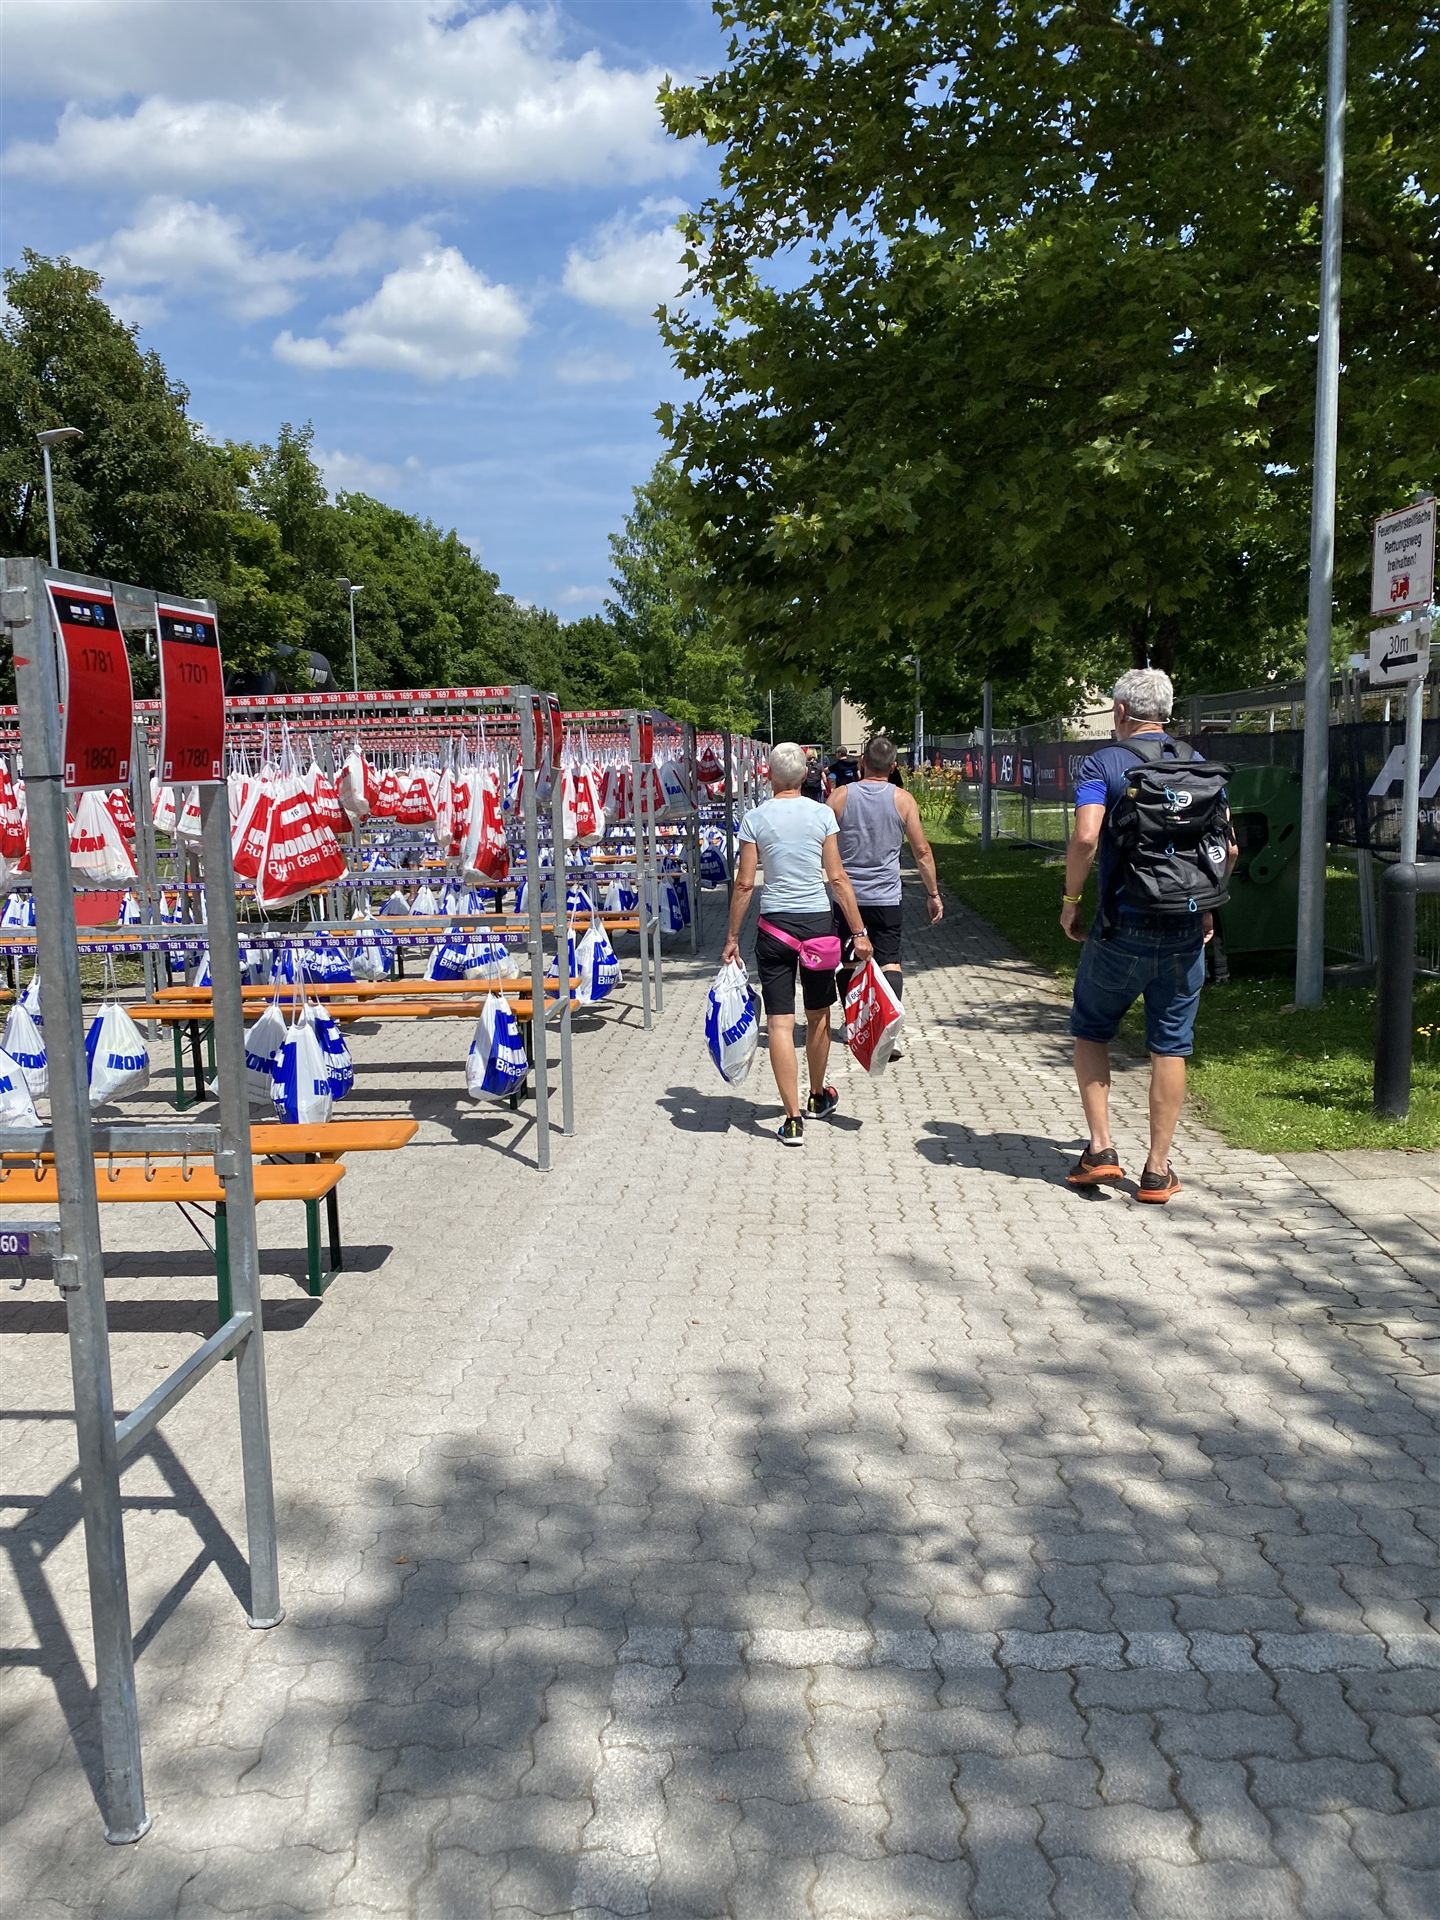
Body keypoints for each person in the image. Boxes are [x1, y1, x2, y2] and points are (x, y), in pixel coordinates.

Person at [1060, 668, 1237, 1203]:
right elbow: (1228, 849)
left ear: (1119, 711)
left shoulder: (1102, 763)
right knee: (1170, 1044)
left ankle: (1100, 1150)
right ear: (1167, 713)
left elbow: (1086, 837)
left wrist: (1072, 902)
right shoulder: (1198, 764)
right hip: (1184, 925)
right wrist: (1205, 905)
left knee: (1092, 1029)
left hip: (1122, 923)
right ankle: (1157, 1172)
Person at [723, 741, 873, 1145]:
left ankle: (791, 1119)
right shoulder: (822, 814)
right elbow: (837, 878)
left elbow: (744, 883)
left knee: (779, 1023)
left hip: (774, 929)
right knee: (819, 1014)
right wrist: (859, 932)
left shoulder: (754, 818)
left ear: (769, 775)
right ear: (806, 775)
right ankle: (818, 1095)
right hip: (818, 927)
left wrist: (732, 937)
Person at [829, 735, 943, 1022]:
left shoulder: (840, 797)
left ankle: (855, 1025)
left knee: (849, 961)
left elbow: (820, 843)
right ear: (893, 767)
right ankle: (885, 1026)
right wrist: (933, 893)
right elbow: (922, 851)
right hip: (886, 897)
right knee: (890, 961)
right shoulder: (903, 800)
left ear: (862, 762)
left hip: (848, 898)